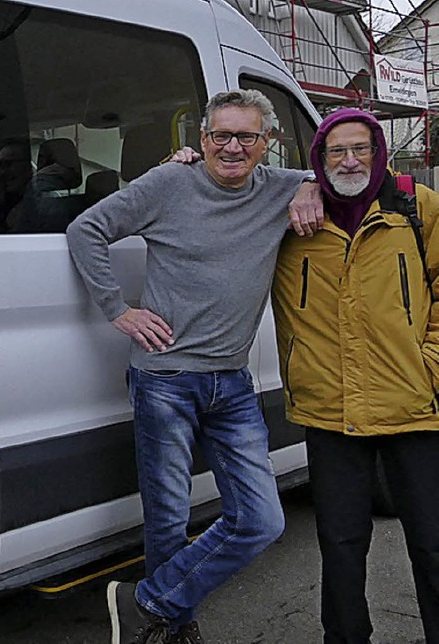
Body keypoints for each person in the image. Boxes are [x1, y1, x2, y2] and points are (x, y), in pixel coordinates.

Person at [66, 88, 323, 644]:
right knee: (167, 520)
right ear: (201, 139)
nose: (232, 146)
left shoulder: (280, 188)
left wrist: (310, 184)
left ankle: (145, 604)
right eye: (220, 135)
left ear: (268, 144)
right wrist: (118, 310)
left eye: (246, 136)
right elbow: (86, 231)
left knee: (261, 520)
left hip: (231, 382)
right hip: (164, 378)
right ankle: (171, 628)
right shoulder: (169, 183)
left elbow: (347, 167)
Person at [270, 108, 439, 644]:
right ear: (318, 159)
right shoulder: (290, 220)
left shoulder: (417, 208)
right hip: (329, 407)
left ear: (379, 153)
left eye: (360, 149)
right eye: (335, 151)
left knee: (433, 541)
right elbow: (220, 184)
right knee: (340, 545)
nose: (349, 160)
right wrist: (179, 159)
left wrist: (430, 365)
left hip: (413, 403)